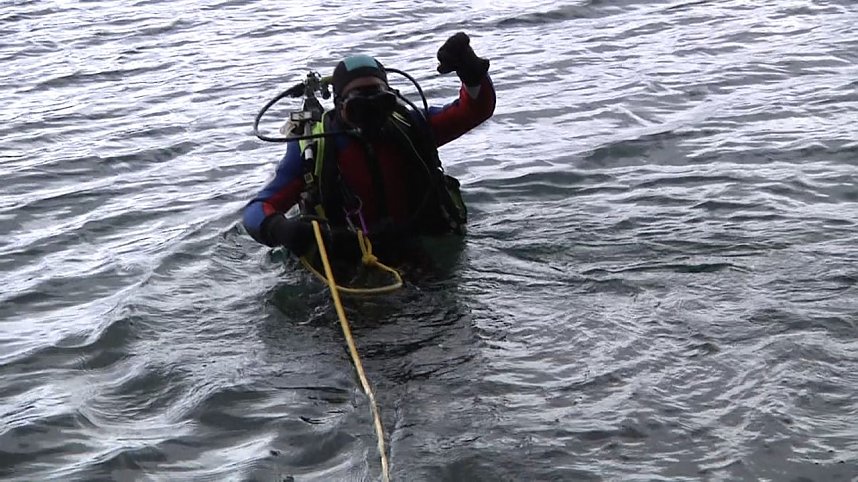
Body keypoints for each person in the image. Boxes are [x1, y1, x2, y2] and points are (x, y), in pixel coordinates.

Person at [242, 32, 495, 269]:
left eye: (380, 105)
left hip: (416, 248)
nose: (371, 117)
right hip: (346, 262)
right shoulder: (315, 147)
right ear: (339, 107)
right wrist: (282, 229)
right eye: (358, 108)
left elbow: (473, 110)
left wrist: (471, 73)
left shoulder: (410, 128)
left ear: (393, 99)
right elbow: (257, 209)